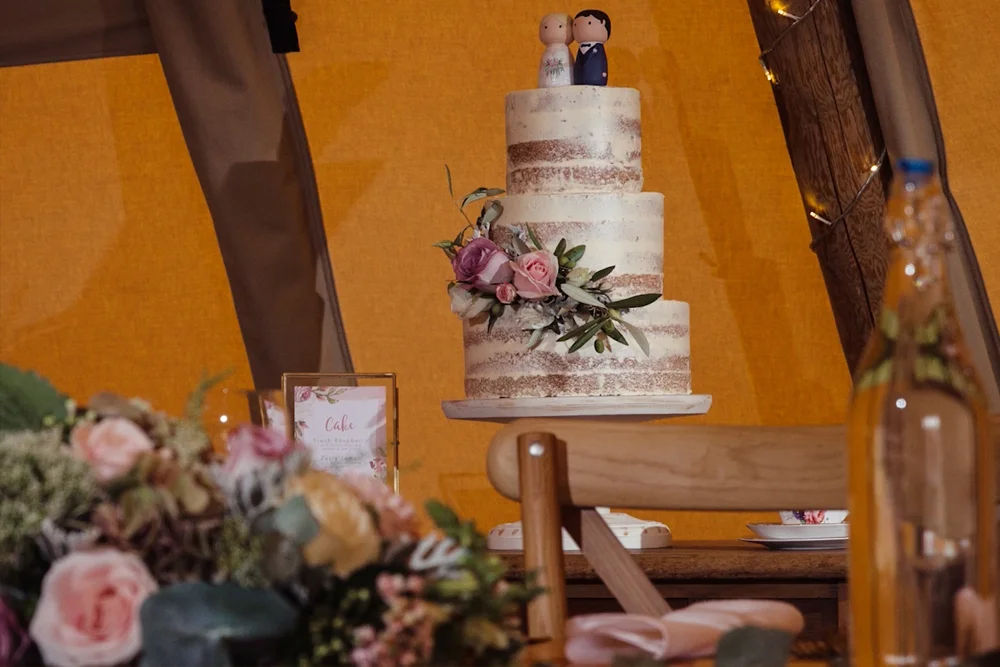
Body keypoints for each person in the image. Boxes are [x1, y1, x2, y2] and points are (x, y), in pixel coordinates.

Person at [572, 9, 610, 86]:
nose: (580, 28)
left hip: (596, 78)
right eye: (575, 25)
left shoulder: (598, 49)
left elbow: (601, 63)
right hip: (579, 80)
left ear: (602, 23)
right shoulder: (580, 48)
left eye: (589, 23)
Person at [538, 13, 574, 88]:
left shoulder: (565, 51)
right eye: (545, 27)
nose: (551, 30)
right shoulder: (548, 50)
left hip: (566, 84)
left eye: (560, 26)